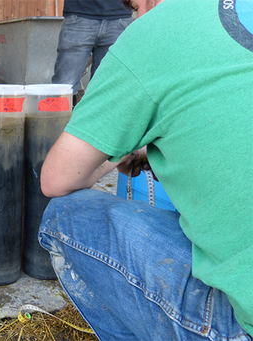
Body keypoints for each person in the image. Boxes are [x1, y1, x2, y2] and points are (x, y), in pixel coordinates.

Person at [38, 0, 253, 340]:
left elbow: (55, 179)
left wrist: (111, 154)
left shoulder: (163, 27)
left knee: (66, 212)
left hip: (243, 325)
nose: (135, 15)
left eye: (134, 6)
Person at [50, 0, 138, 100]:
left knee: (108, 91)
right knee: (63, 88)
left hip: (119, 19)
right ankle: (59, 115)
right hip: (80, 17)